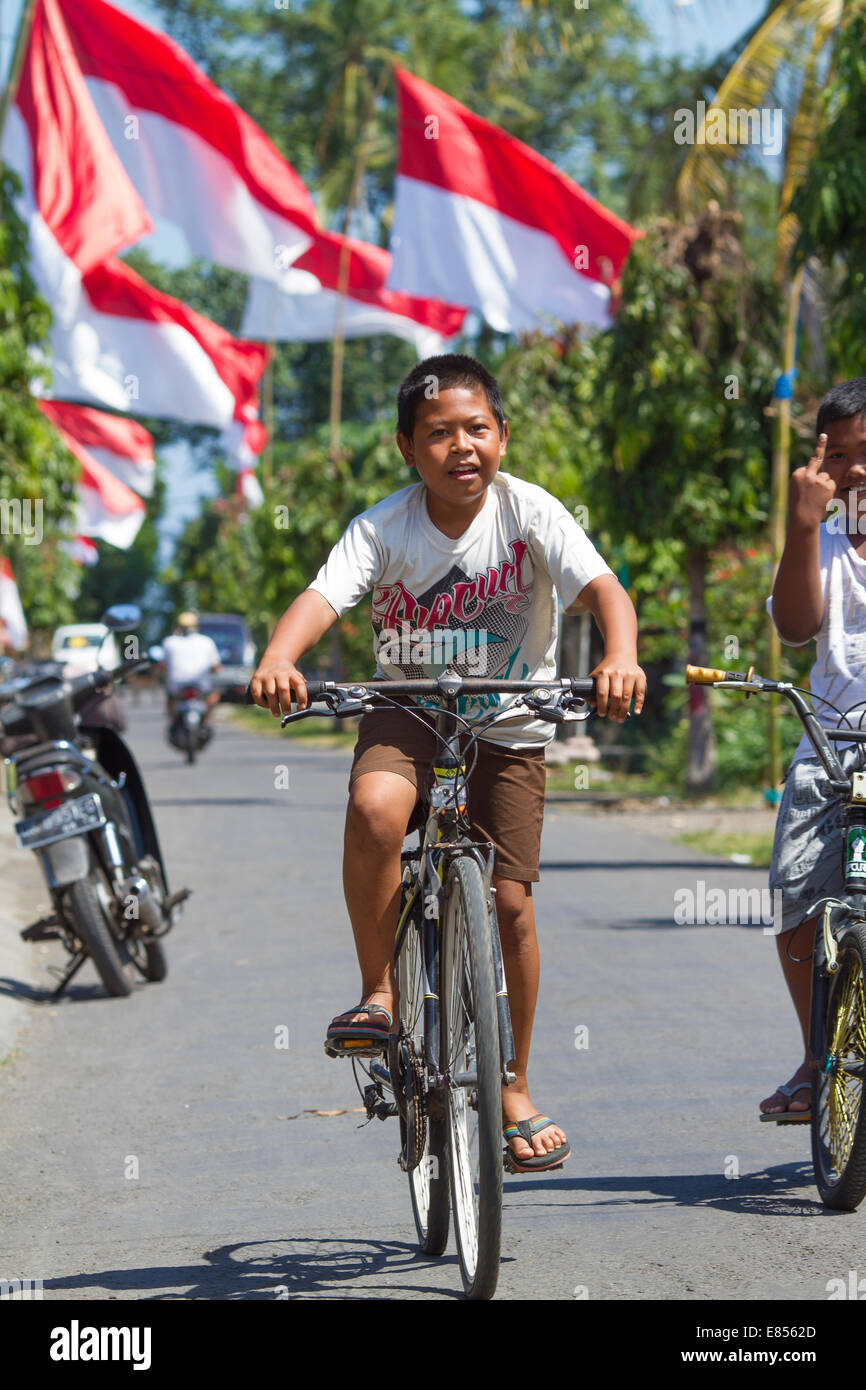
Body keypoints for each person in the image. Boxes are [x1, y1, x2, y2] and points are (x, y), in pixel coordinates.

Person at [250, 353, 645, 1173]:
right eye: (439, 434)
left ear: (502, 436)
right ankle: (381, 993)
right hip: (410, 705)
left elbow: (605, 589)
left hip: (509, 720)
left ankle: (511, 1083)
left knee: (510, 907)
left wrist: (622, 656)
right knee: (375, 813)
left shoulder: (531, 512)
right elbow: (321, 600)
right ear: (407, 448)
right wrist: (281, 656)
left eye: (477, 429)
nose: (461, 447)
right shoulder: (382, 528)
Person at [762, 379, 866, 1121]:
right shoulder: (823, 542)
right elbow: (797, 629)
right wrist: (802, 528)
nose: (857, 471)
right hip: (832, 743)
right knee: (797, 894)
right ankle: (815, 1053)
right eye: (841, 456)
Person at [162, 612, 221, 727]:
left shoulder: (169, 642)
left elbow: (164, 666)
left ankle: (173, 721)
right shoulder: (206, 641)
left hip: (177, 686)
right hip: (201, 686)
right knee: (214, 697)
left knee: (170, 699)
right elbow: (216, 666)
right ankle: (207, 720)